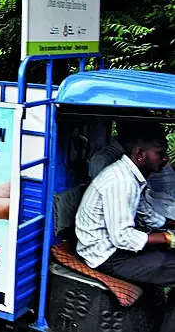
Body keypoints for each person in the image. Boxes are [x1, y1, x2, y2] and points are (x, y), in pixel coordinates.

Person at [75, 123, 175, 332]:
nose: (165, 158)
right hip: (105, 256)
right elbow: (122, 237)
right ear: (140, 154)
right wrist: (168, 238)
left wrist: (169, 226)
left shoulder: (131, 176)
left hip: (115, 248)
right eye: (160, 153)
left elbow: (145, 213)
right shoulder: (120, 181)